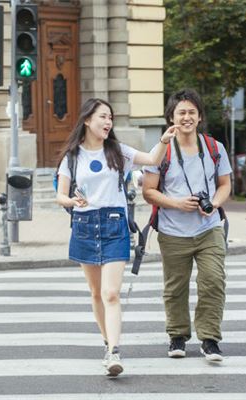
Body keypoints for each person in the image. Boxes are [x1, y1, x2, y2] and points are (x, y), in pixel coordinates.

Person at [56, 98, 176, 376]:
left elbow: (152, 159)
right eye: (102, 117)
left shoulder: (117, 151)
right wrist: (71, 201)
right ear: (87, 120)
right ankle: (107, 341)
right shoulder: (72, 157)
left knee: (111, 293)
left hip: (114, 226)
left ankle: (114, 352)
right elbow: (60, 194)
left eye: (110, 117)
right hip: (85, 225)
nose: (108, 122)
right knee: (96, 293)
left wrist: (164, 140)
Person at [142, 89, 231, 362]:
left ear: (200, 116)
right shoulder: (161, 151)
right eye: (181, 112)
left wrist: (214, 204)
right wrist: (177, 203)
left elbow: (225, 184)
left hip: (209, 228)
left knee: (213, 281)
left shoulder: (215, 148)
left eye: (192, 112)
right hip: (172, 231)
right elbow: (148, 191)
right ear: (171, 117)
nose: (187, 117)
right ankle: (177, 336)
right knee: (175, 287)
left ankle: (210, 339)